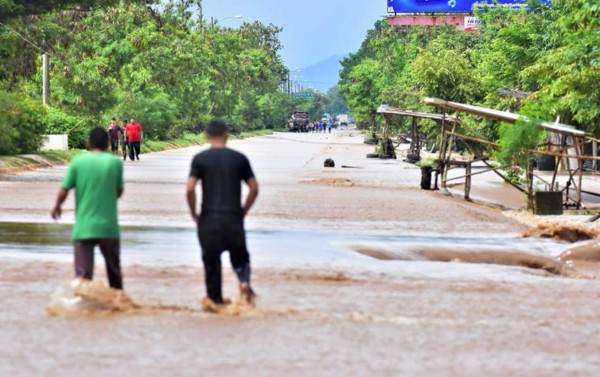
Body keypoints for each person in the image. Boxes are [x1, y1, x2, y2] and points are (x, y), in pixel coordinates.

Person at [186, 119, 259, 307]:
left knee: (212, 265)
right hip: (233, 218)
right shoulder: (239, 159)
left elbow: (190, 189)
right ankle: (243, 282)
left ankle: (215, 303)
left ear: (206, 136)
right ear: (227, 135)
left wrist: (194, 213)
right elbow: (254, 188)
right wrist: (243, 211)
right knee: (241, 258)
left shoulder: (200, 159)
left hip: (208, 219)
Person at [51, 127, 124, 290]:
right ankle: (118, 309)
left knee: (82, 277)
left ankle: (80, 307)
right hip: (109, 228)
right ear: (107, 143)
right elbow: (118, 191)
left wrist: (57, 207)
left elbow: (64, 190)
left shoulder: (77, 161)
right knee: (115, 277)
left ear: (88, 143)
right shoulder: (115, 163)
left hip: (84, 227)